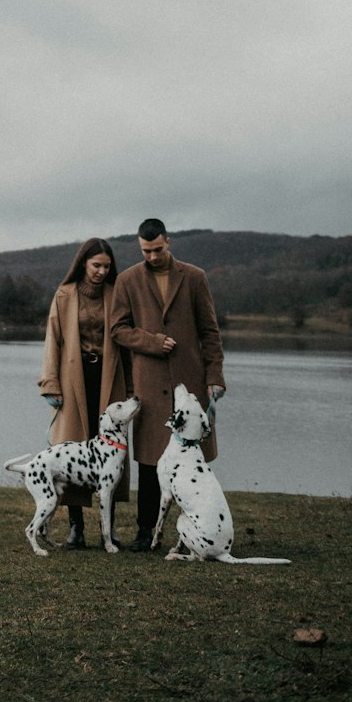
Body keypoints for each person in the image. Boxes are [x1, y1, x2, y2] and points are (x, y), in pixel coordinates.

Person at [110, 218, 225, 552]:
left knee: (194, 460)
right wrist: (152, 342)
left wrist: (215, 375)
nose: (152, 256)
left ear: (169, 242)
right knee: (149, 459)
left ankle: (198, 528)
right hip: (148, 383)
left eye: (158, 249)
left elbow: (210, 332)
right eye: (146, 250)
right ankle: (145, 532)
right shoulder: (127, 280)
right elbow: (118, 329)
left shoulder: (194, 277)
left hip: (190, 383)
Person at [37, 237, 133, 548]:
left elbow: (125, 343)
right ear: (83, 264)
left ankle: (110, 531)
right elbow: (53, 340)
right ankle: (76, 530)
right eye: (96, 265)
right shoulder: (64, 295)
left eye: (106, 266)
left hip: (109, 379)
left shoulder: (116, 294)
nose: (102, 272)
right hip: (72, 379)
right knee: (71, 452)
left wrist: (130, 389)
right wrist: (50, 382)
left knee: (111, 455)